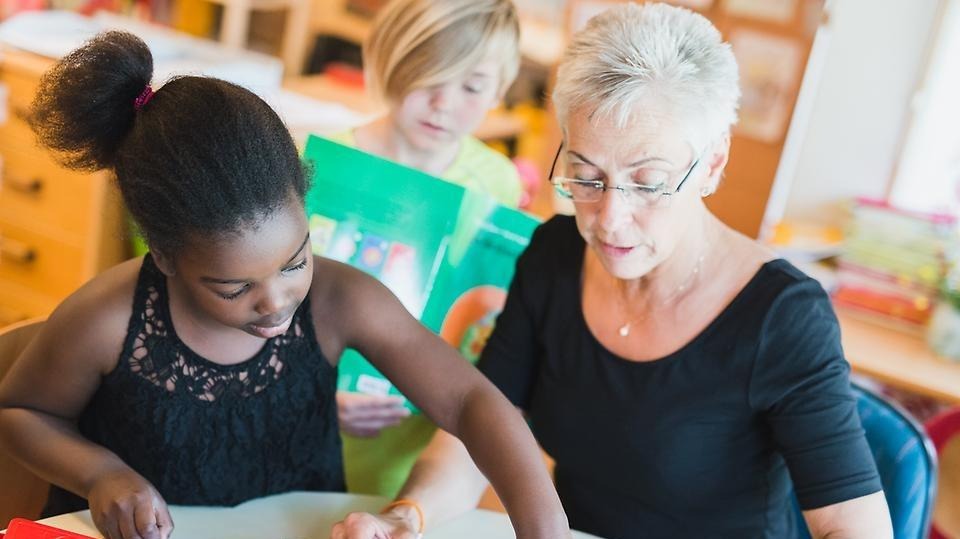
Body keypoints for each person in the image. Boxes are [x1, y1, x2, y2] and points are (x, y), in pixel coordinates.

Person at [333, 4, 894, 539]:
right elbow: (477, 433)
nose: (609, 220)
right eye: (586, 177)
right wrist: (408, 516)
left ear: (712, 164)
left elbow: (851, 523)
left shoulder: (782, 316)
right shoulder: (554, 257)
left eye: (647, 183)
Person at [0, 31, 569, 539]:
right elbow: (21, 411)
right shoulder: (108, 320)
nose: (276, 302)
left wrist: (546, 530)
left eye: (296, 262)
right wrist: (101, 473)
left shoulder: (342, 299)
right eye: (233, 288)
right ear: (165, 256)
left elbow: (470, 401)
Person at [323, 0, 526, 498]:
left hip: (410, 460)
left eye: (472, 87)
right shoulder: (324, 161)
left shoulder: (496, 183)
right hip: (295, 435)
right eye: (429, 76)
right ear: (390, 59)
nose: (443, 103)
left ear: (499, 91)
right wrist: (312, 399)